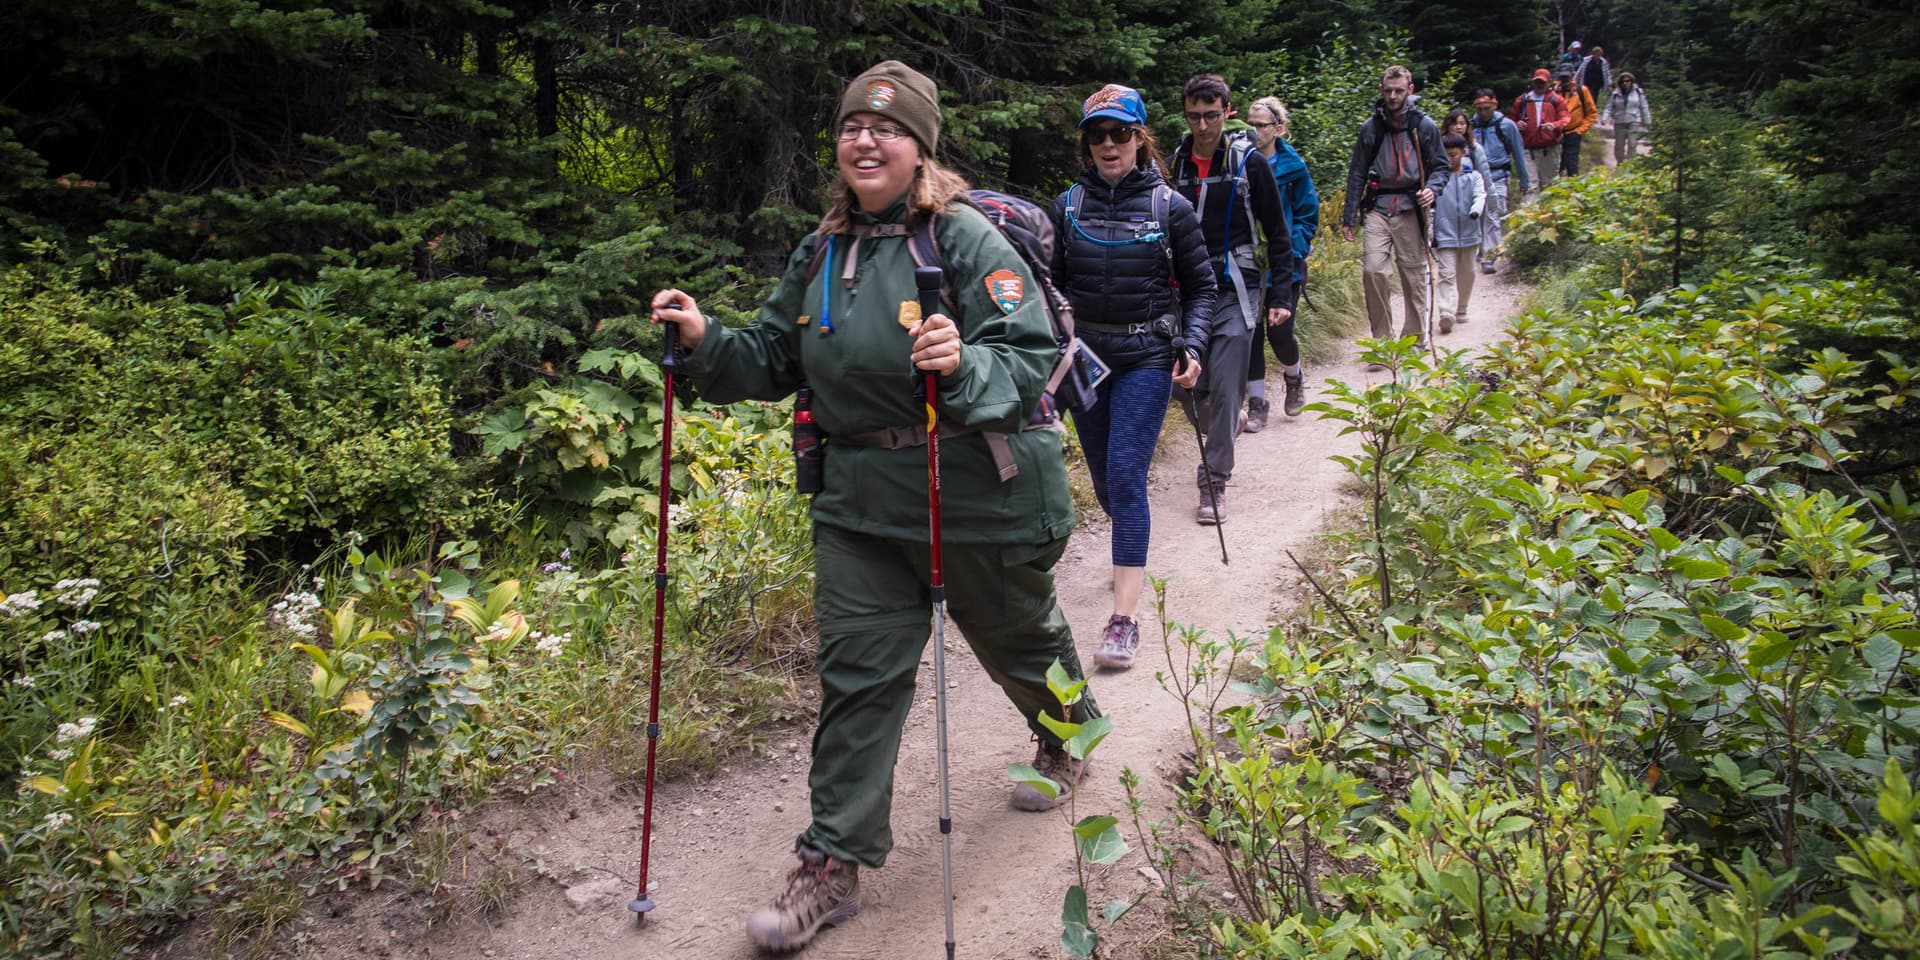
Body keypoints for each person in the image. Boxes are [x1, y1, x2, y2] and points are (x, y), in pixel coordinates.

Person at [650, 60, 1101, 952]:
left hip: (974, 494)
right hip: (857, 504)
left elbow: (1027, 357)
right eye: (855, 126)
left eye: (888, 129)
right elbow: (771, 361)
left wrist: (959, 362)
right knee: (858, 678)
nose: (867, 139)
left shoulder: (965, 240)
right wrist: (705, 341)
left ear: (921, 148)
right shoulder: (823, 252)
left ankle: (1069, 732)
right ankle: (830, 865)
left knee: (1015, 634)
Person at [1049, 84, 1216, 670]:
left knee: (1125, 476)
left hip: (1148, 353)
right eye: (1097, 135)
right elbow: (1051, 288)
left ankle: (1124, 619)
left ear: (1140, 139)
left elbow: (1202, 288)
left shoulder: (1170, 207)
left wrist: (1192, 344)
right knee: (1103, 480)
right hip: (1086, 360)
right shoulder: (1067, 207)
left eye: (1120, 133)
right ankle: (1131, 554)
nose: (1109, 144)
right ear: (1086, 144)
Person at [1168, 73, 1293, 524]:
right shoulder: (1172, 165)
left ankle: (1214, 479)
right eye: (1194, 116)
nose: (1202, 126)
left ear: (1227, 112)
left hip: (1236, 285)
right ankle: (1227, 422)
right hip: (1183, 290)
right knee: (1186, 385)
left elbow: (1277, 232)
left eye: (1211, 116)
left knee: (1223, 385)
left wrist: (1281, 293)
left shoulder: (1249, 163)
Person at [1340, 64, 1446, 363]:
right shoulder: (1371, 128)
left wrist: (1433, 189)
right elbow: (1357, 172)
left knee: (1413, 274)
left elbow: (1439, 165)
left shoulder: (1424, 126)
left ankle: (1413, 340)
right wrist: (1349, 217)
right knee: (1373, 270)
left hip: (1412, 207)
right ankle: (1382, 345)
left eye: (1399, 90)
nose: (1393, 96)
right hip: (1378, 206)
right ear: (1381, 91)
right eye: (1388, 91)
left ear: (1410, 90)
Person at [1242, 95, 1319, 430]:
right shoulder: (1238, 162)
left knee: (1280, 331)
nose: (1254, 131)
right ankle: (1257, 402)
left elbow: (1307, 214)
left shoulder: (1293, 168)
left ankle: (1294, 375)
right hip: (1246, 262)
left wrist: (1292, 249)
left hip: (1284, 264)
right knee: (1250, 334)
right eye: (1250, 124)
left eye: (1261, 125)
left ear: (1278, 129)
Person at [1430, 132, 1487, 335]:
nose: (1449, 159)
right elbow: (1430, 207)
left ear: (1463, 153)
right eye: (1445, 155)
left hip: (1470, 232)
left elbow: (1481, 196)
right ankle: (1446, 312)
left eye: (1453, 154)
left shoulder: (1473, 177)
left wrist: (1475, 211)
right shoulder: (1436, 180)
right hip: (1445, 234)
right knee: (1446, 274)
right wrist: (1430, 232)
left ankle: (1462, 308)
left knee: (1468, 272)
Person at [1469, 89, 1529, 274]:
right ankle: (1481, 250)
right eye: (1479, 109)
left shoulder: (1506, 126)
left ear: (1494, 105)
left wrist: (1523, 180)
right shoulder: (1470, 126)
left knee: (1493, 215)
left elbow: (1518, 153)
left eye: (1487, 108)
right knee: (1477, 214)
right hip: (1475, 177)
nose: (1483, 112)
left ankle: (1489, 256)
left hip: (1499, 175)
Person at [1510, 68, 1568, 201]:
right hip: (1527, 149)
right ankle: (1530, 216)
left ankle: (1548, 215)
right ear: (1533, 82)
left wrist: (1554, 126)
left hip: (1550, 149)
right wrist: (1517, 124)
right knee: (1530, 185)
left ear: (1548, 83)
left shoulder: (1556, 100)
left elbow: (1565, 119)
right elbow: (1511, 119)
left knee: (1548, 184)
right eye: (1537, 82)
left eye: (1542, 82)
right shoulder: (1523, 100)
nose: (1539, 85)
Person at [1601, 71, 1652, 166]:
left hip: (1634, 120)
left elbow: (1644, 106)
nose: (1625, 83)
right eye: (1623, 81)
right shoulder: (1615, 94)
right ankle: (1620, 162)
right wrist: (1604, 118)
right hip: (1619, 121)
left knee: (1632, 143)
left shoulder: (1638, 92)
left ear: (1631, 82)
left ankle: (1630, 163)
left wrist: (1648, 121)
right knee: (1619, 145)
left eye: (1628, 81)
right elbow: (1609, 106)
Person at [1555, 67, 1598, 176]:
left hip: (1573, 133)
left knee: (1572, 165)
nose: (1564, 80)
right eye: (1562, 77)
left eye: (1566, 77)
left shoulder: (1581, 91)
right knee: (1555, 165)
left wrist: (1580, 130)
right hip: (1555, 133)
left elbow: (1592, 113)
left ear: (1572, 76)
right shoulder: (1553, 91)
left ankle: (1574, 189)